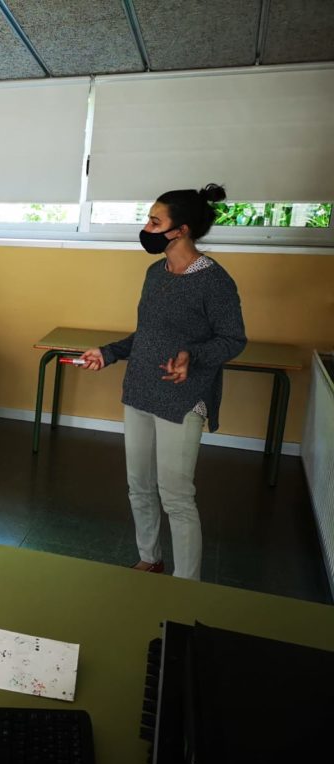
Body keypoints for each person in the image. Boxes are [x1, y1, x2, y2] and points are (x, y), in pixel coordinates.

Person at [78, 184, 245, 581]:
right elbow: (147, 335)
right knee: (139, 485)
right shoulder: (155, 273)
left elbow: (233, 339)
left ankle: (186, 584)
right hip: (140, 389)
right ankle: (149, 558)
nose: (146, 228)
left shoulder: (215, 281)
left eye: (155, 222)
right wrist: (108, 352)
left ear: (181, 230)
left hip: (183, 397)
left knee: (176, 496)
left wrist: (193, 356)